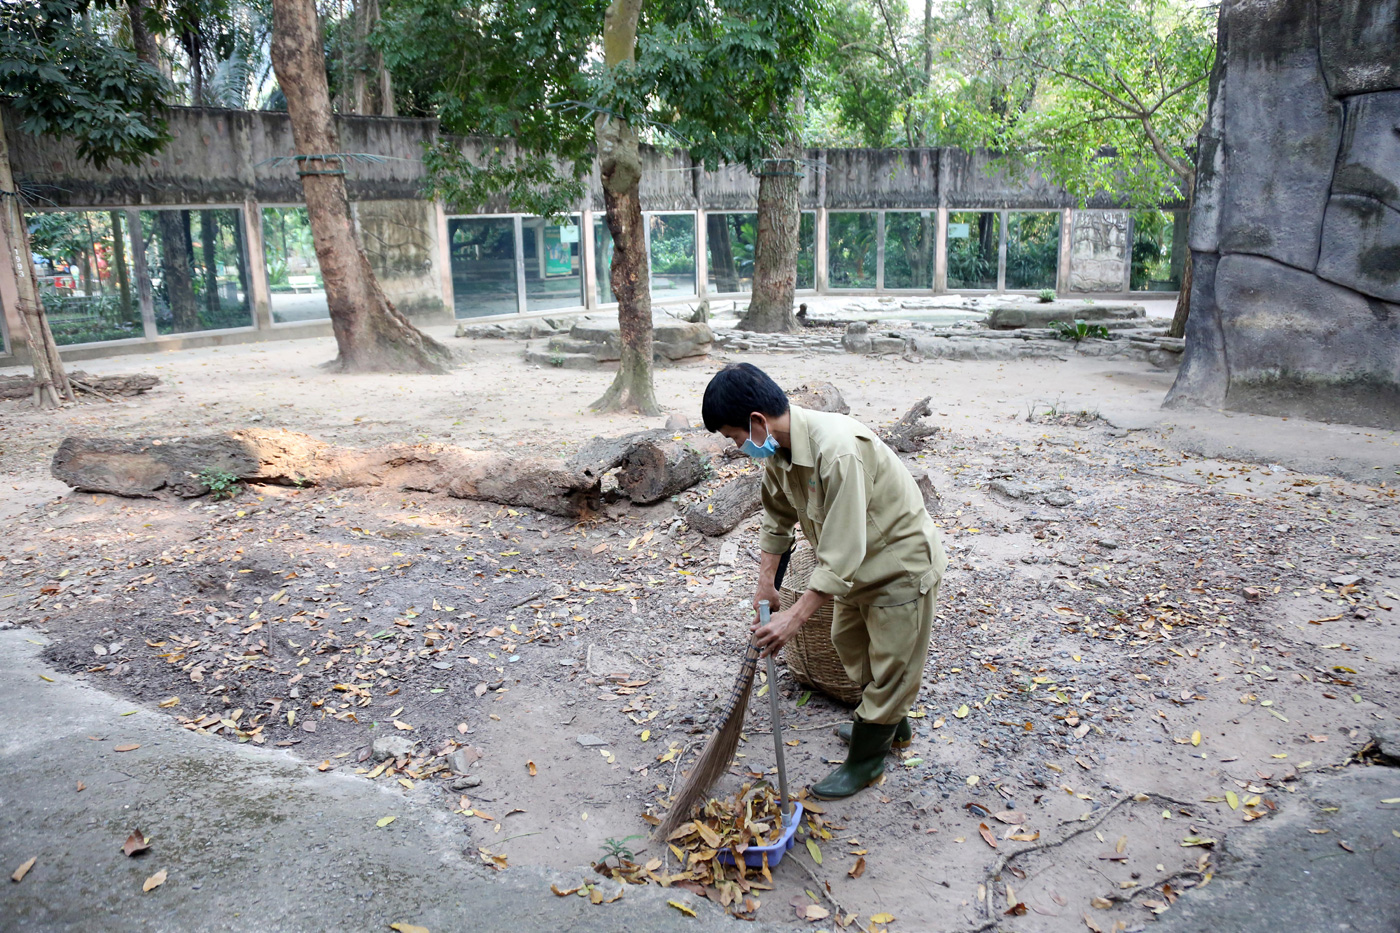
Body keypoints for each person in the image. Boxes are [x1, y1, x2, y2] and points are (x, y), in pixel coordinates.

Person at [701, 363, 947, 799]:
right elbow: (777, 519)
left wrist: (794, 619)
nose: (740, 447)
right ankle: (893, 724)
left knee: (893, 662)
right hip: (854, 575)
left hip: (897, 567)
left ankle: (867, 760)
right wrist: (766, 583)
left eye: (735, 437)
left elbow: (841, 551)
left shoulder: (837, 451)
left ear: (757, 421)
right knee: (851, 646)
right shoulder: (779, 451)